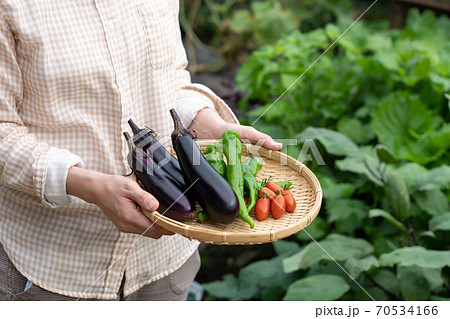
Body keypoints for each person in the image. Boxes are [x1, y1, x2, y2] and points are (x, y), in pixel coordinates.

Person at [0, 0, 281, 301]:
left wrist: (207, 123)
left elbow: (171, 79)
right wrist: (90, 186)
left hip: (166, 260)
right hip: (56, 267)